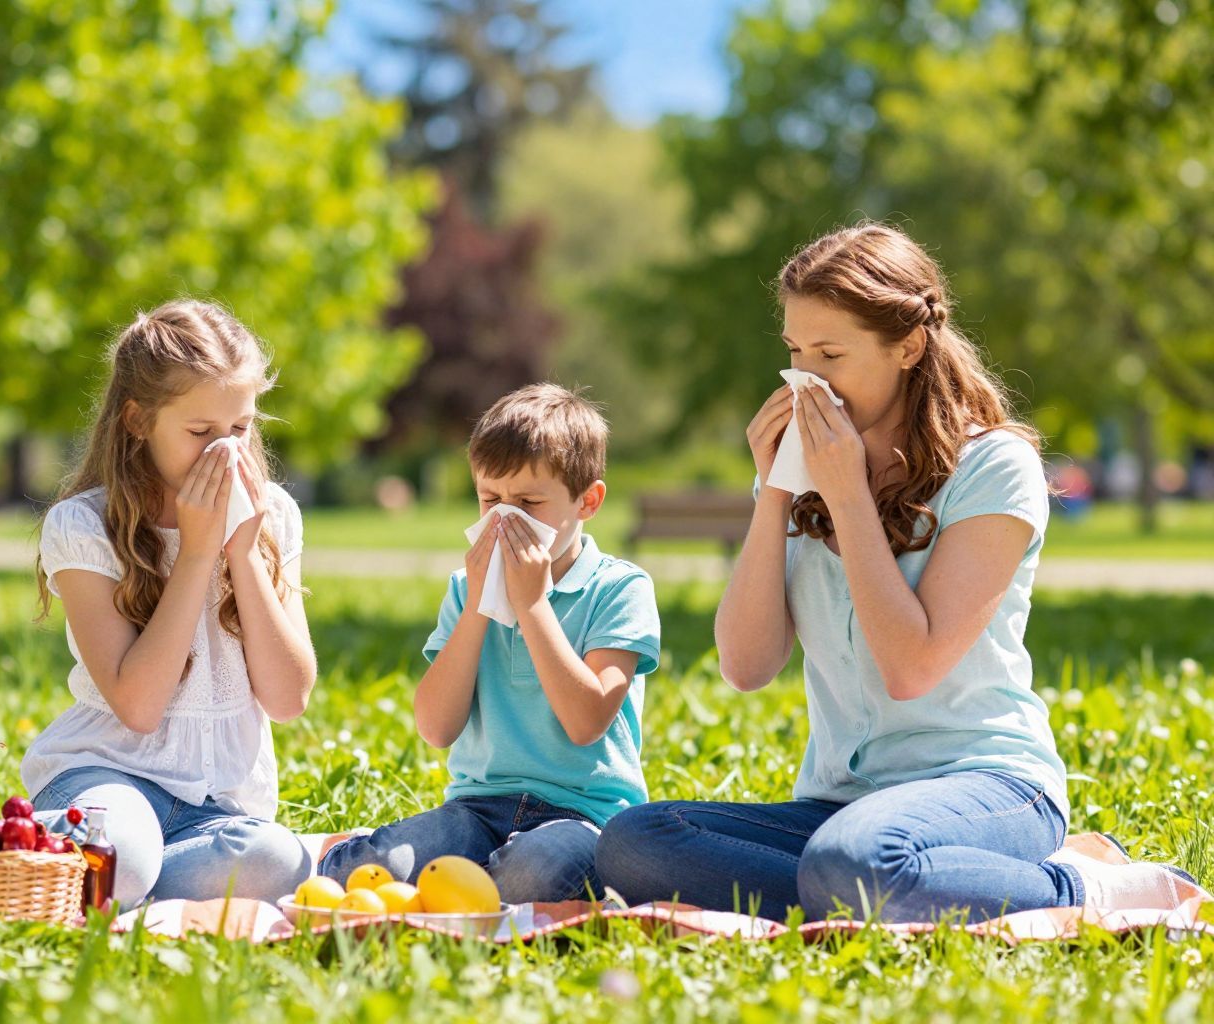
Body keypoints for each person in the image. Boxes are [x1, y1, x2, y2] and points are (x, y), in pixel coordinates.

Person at [595, 222, 1204, 922]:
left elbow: (910, 668)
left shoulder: (993, 469)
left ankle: (1083, 887)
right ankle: (875, 885)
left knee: (856, 862)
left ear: (908, 346)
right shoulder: (809, 475)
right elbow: (746, 664)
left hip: (989, 785)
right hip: (841, 805)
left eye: (831, 353)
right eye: (795, 351)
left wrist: (848, 494)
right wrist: (774, 491)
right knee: (637, 842)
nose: (806, 379)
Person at [319, 384, 661, 902]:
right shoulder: (465, 588)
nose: (504, 519)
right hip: (477, 808)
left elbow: (586, 720)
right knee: (367, 869)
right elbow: (436, 727)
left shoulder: (620, 588)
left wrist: (532, 605)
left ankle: (479, 886)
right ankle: (465, 882)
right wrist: (481, 604)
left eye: (528, 502)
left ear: (587, 501)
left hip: (583, 815)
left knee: (537, 875)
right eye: (490, 500)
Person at [24, 299, 315, 908]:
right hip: (107, 776)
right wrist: (197, 556)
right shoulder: (83, 526)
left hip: (217, 807)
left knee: (281, 863)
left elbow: (289, 699)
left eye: (240, 429)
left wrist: (241, 554)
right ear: (137, 420)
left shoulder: (274, 518)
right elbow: (138, 706)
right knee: (122, 853)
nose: (226, 453)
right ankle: (95, 868)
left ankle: (82, 879)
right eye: (200, 433)